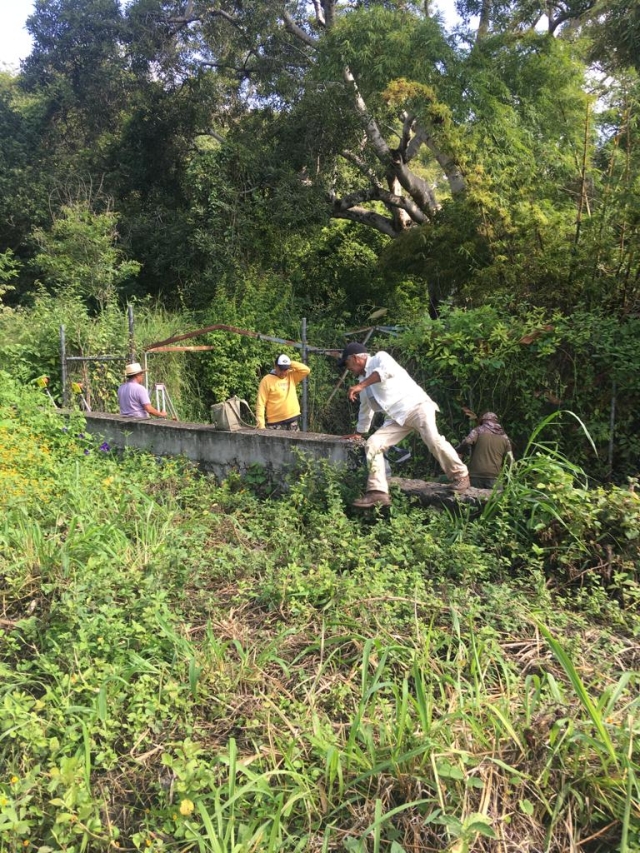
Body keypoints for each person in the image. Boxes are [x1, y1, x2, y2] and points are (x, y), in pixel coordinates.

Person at [339, 342, 470, 507]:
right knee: (373, 444)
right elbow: (366, 408)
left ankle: (461, 475)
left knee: (432, 439)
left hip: (417, 407)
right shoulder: (362, 381)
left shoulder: (380, 358)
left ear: (355, 358)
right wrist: (359, 432)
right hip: (396, 418)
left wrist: (361, 385)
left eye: (347, 363)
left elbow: (384, 373)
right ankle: (377, 492)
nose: (347, 367)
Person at [456, 412, 513, 489]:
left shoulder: (478, 431)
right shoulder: (504, 436)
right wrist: (509, 475)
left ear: (483, 421)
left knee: (473, 499)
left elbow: (467, 442)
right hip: (495, 477)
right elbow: (510, 459)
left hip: (476, 475)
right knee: (495, 500)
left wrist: (459, 451)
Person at [256, 354, 310, 431]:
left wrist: (289, 363)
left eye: (286, 369)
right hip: (275, 424)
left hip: (292, 421)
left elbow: (306, 370)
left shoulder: (291, 376)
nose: (283, 372)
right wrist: (261, 425)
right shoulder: (266, 380)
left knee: (294, 443)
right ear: (275, 366)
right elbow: (260, 403)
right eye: (281, 369)